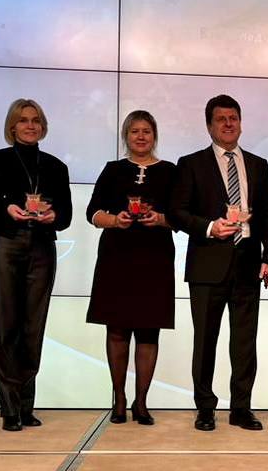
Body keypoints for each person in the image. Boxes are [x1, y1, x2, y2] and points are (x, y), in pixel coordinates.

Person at [168, 94, 268, 432]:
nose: (228, 124)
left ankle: (241, 408)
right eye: (221, 119)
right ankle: (205, 408)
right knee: (205, 342)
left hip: (248, 264)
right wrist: (209, 227)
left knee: (244, 343)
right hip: (207, 264)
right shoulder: (191, 163)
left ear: (240, 123)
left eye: (233, 118)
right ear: (209, 125)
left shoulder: (258, 164)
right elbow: (177, 212)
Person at [0, 98, 72, 432]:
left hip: (42, 247)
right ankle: (10, 408)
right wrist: (7, 209)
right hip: (7, 244)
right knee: (6, 326)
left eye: (36, 120)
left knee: (33, 328)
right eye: (24, 120)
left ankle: (26, 405)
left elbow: (67, 216)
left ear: (43, 126)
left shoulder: (56, 166)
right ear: (12, 126)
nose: (31, 125)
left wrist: (53, 215)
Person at [86, 110, 175, 426]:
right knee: (117, 329)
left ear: (154, 136)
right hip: (117, 257)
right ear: (126, 136)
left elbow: (182, 215)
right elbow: (92, 212)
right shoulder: (113, 170)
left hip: (155, 258)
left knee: (149, 330)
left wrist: (161, 219)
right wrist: (114, 220)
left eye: (146, 131)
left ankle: (142, 402)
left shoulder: (170, 171)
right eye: (135, 131)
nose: (141, 136)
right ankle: (120, 398)